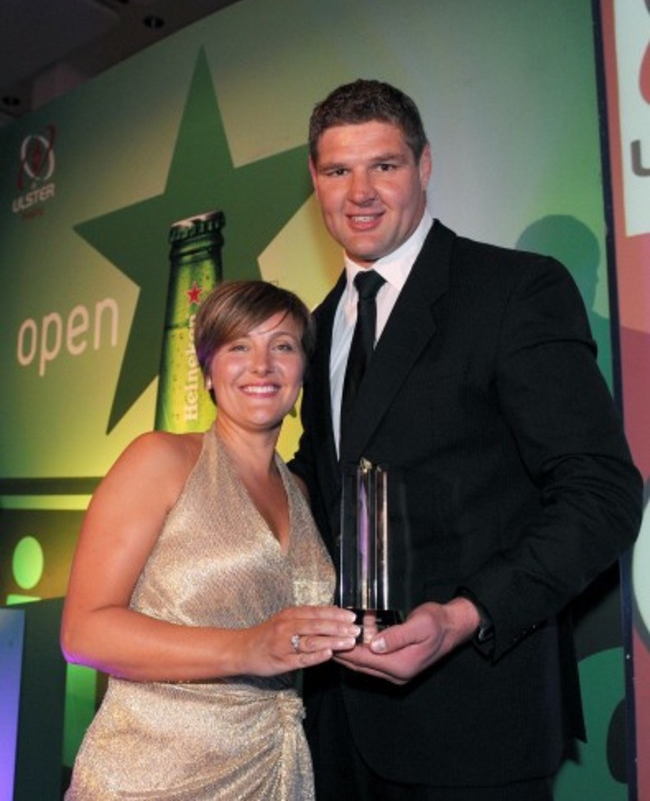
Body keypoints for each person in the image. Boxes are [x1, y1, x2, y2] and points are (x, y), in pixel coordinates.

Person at [290, 79, 642, 800]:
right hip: (333, 732)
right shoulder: (315, 326)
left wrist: (464, 615)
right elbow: (321, 492)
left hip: (474, 720)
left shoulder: (512, 289)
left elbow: (602, 492)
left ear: (424, 167)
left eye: (383, 165)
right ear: (315, 182)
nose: (360, 191)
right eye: (337, 171)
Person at [61, 280, 360, 799]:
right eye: (238, 346)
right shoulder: (160, 459)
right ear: (209, 370)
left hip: (274, 767)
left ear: (303, 371)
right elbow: (83, 633)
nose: (262, 365)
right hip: (152, 776)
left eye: (282, 346)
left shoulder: (304, 493)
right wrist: (247, 648)